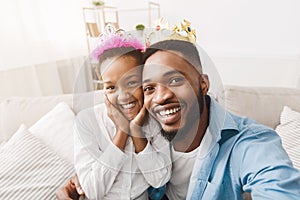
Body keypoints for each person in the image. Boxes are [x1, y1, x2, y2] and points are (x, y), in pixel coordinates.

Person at [57, 35, 300, 199]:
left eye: (175, 80)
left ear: (203, 84)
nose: (161, 97)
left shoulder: (249, 143)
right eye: (149, 88)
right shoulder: (149, 128)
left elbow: (277, 186)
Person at [72, 31, 171, 200]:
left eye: (131, 83)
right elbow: (92, 191)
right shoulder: (87, 121)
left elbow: (160, 179)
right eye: (111, 87)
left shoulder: (155, 120)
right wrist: (122, 132)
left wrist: (136, 132)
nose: (123, 95)